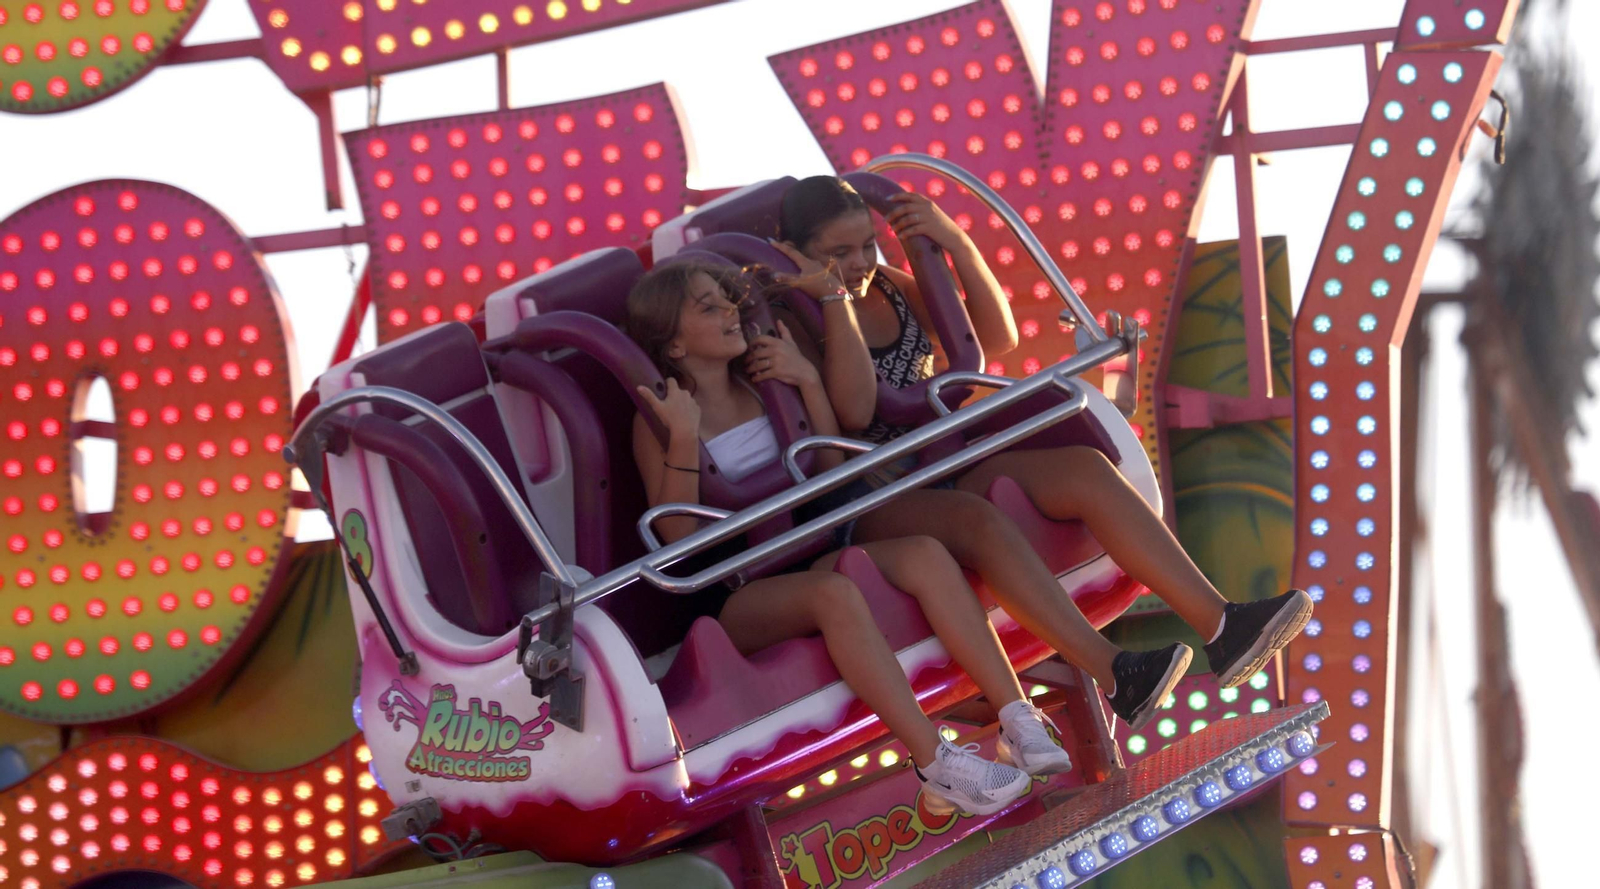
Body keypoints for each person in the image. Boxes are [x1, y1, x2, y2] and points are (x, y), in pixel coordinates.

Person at [769, 176, 1313, 698]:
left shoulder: (885, 285)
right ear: (793, 253)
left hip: (942, 459)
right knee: (977, 521)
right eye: (838, 253)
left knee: (1084, 468)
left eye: (867, 245)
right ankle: (1114, 672)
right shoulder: (792, 319)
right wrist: (833, 299)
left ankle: (1222, 625)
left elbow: (994, 337)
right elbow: (856, 409)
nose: (859, 263)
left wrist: (955, 242)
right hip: (872, 496)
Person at [625, 258, 1072, 815]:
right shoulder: (659, 421)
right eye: (707, 308)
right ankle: (937, 765)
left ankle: (1018, 718)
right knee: (832, 595)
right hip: (737, 590)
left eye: (726, 300)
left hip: (807, 548)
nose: (729, 314)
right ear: (673, 344)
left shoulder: (763, 384)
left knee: (925, 554)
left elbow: (831, 465)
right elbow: (675, 534)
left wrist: (806, 380)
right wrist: (684, 435)